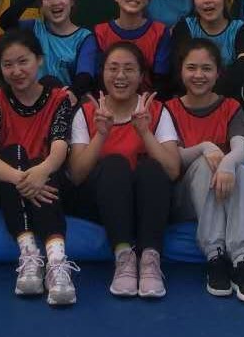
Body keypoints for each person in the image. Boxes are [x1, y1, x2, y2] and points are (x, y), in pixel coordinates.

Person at [67, 42, 181, 298]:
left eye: (129, 69)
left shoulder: (155, 110)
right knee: (115, 163)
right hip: (104, 205)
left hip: (147, 206)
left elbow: (173, 170)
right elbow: (76, 175)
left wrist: (145, 132)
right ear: (102, 73)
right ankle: (124, 257)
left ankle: (150, 259)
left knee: (151, 167)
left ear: (141, 76)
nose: (120, 76)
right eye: (113, 68)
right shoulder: (87, 112)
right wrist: (101, 135)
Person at [0, 31, 79, 305]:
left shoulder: (58, 99)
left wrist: (40, 173)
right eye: (8, 64)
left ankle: (56, 263)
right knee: (15, 153)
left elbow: (59, 147)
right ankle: (29, 256)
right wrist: (24, 180)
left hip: (47, 182)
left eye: (23, 61)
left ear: (39, 60)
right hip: (2, 184)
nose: (16, 71)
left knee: (41, 167)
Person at [165, 39, 244, 302]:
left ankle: (242, 260)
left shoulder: (230, 106)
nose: (199, 75)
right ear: (181, 71)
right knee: (204, 163)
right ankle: (215, 256)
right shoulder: (169, 109)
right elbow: (172, 157)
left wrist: (228, 163)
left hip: (226, 190)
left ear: (218, 73)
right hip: (186, 199)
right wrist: (204, 147)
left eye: (206, 68)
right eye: (191, 68)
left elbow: (241, 147)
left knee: (240, 170)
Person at [0, 0, 98, 97]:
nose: (56, 2)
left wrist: (70, 95)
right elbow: (5, 21)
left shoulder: (84, 38)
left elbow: (85, 76)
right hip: (30, 101)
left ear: (72, 0)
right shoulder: (33, 28)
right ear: (40, 4)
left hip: (65, 101)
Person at [170, 0, 244, 102]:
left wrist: (209, 93)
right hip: (190, 102)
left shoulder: (241, 30)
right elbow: (178, 71)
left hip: (229, 102)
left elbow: (242, 71)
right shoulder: (185, 27)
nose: (207, 0)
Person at [93, 0, 173, 91]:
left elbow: (161, 79)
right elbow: (98, 79)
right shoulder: (100, 32)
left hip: (148, 100)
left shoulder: (160, 32)